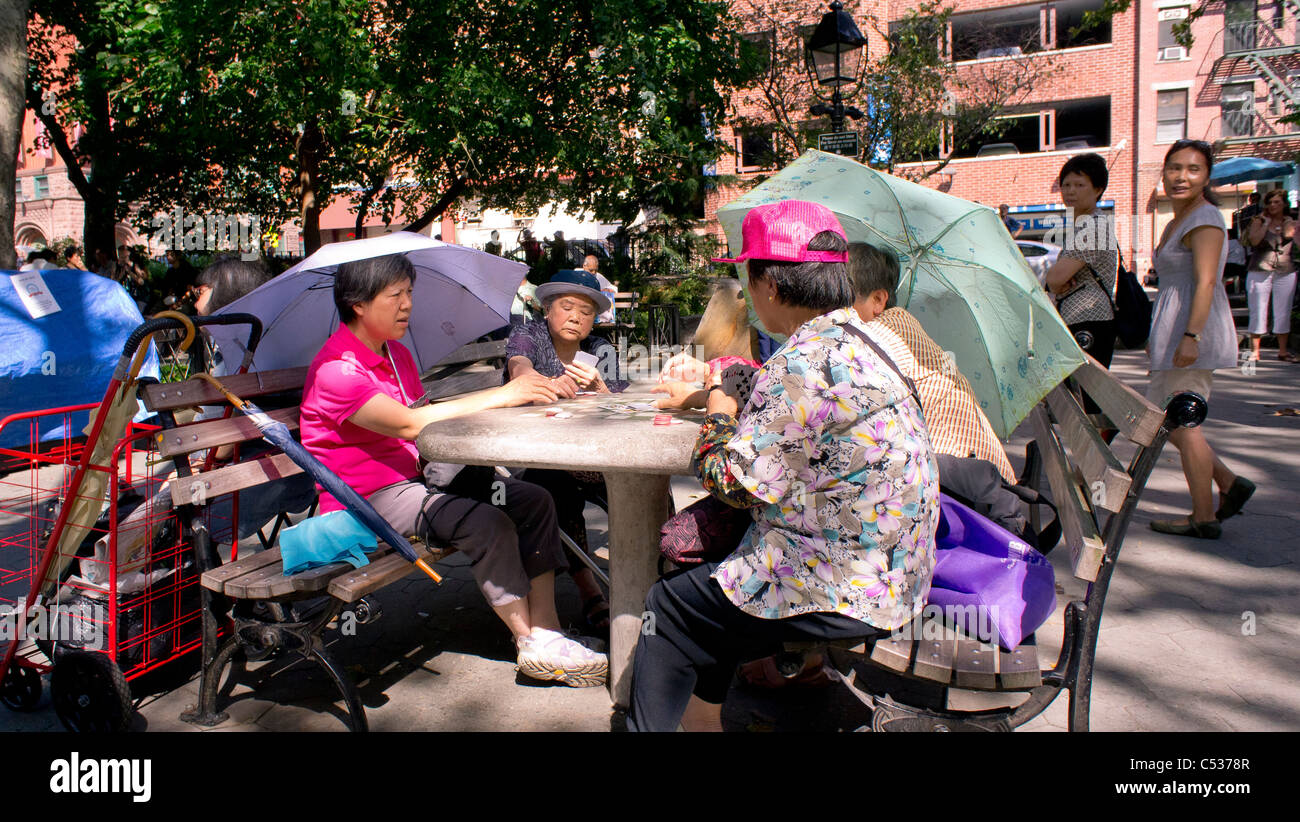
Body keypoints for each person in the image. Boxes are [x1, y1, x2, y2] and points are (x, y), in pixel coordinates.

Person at [628, 200, 940, 732]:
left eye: (749, 284)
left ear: (768, 285)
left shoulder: (800, 362)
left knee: (671, 608)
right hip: (898, 568)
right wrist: (718, 393)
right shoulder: (863, 339)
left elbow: (732, 482)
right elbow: (802, 417)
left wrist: (719, 412)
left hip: (846, 583)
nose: (750, 298)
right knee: (712, 592)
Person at [298, 254, 608, 685]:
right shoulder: (336, 371)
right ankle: (529, 642)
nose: (407, 304)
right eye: (395, 296)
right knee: (488, 522)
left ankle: (549, 632)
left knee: (534, 499)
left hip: (418, 480)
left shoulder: (398, 356)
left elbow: (428, 421)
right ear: (358, 304)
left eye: (409, 293)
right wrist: (504, 395)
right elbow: (408, 424)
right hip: (364, 501)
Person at [505, 268, 629, 634]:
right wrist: (541, 382)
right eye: (567, 306)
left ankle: (655, 576)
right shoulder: (529, 335)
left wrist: (602, 388)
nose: (576, 317)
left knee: (645, 479)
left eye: (587, 311)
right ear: (547, 308)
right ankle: (589, 589)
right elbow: (519, 366)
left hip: (594, 454)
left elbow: (624, 407)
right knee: (552, 483)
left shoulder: (600, 349)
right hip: (542, 455)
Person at [1147, 140, 1254, 539]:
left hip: (1193, 331)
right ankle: (1227, 482)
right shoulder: (1179, 220)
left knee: (1182, 420)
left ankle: (1204, 517)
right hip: (1174, 330)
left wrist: (1191, 336)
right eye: (1174, 168)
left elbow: (1208, 281)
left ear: (1207, 176)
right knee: (1169, 420)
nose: (1181, 176)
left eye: (1193, 169)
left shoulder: (1205, 219)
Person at [849, 242, 1016, 483]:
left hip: (966, 489)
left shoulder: (882, 331)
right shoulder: (901, 322)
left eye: (841, 298)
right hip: (979, 475)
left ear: (878, 299)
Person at [1043, 153, 1120, 417]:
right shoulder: (1083, 226)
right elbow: (1057, 281)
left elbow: (1054, 279)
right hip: (1081, 320)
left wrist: (1056, 281)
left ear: (1098, 189)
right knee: (1079, 405)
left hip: (1091, 321)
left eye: (1080, 185)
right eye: (1066, 185)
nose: (1070, 192)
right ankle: (1088, 456)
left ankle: (1097, 457)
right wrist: (1057, 281)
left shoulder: (1094, 228)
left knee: (1088, 406)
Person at [1242, 189, 1297, 362]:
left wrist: (1288, 222)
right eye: (1270, 202)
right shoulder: (1258, 220)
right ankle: (1255, 351)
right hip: (1260, 267)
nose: (1273, 205)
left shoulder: (1291, 221)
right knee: (1258, 307)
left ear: (1284, 204)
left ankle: (1282, 351)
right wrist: (1266, 224)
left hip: (1285, 268)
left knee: (1283, 310)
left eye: (1277, 202)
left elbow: (1289, 235)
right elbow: (1254, 241)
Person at [581, 253, 618, 325]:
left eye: (596, 270)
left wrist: (608, 289)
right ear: (584, 266)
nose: (594, 273)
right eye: (591, 270)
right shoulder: (576, 275)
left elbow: (613, 288)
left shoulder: (598, 276)